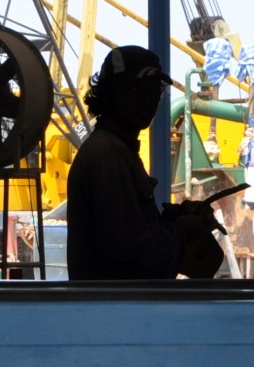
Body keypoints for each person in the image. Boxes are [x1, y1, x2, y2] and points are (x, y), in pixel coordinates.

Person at [66, 45, 217, 280]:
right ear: (109, 94)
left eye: (154, 90)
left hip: (119, 300)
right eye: (135, 90)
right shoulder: (110, 157)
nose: (148, 100)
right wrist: (183, 228)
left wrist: (175, 218)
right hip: (116, 301)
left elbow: (128, 231)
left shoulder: (117, 150)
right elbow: (130, 244)